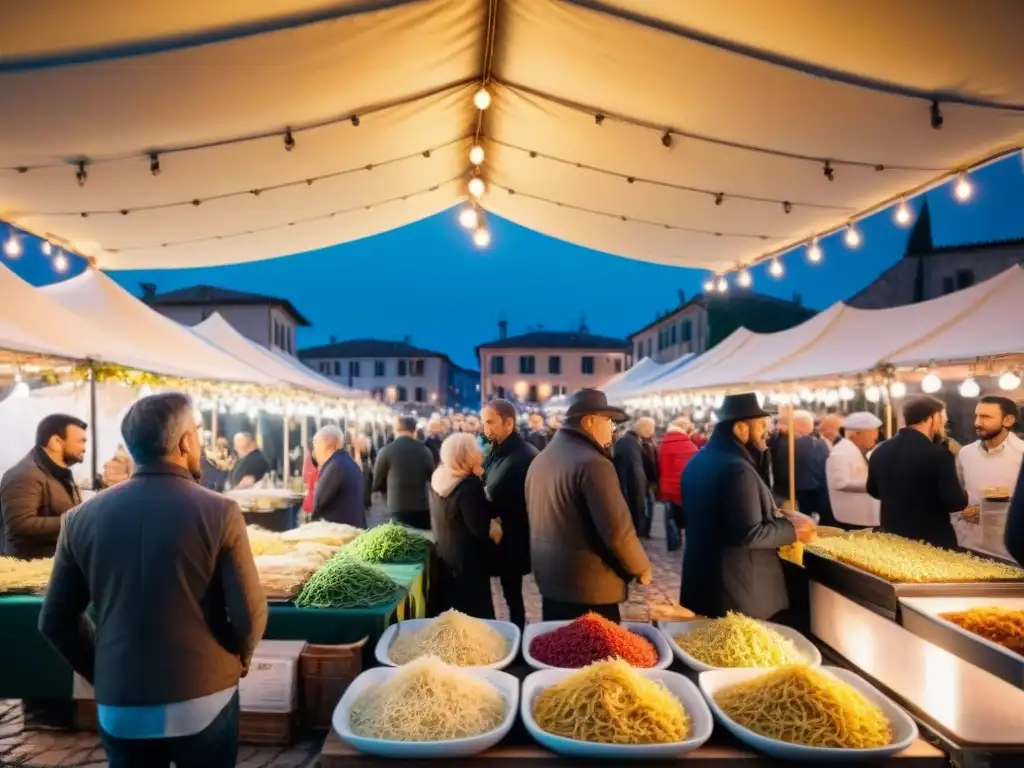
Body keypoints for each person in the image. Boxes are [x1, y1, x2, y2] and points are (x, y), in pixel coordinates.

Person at [39, 393, 267, 768]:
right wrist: (238, 656)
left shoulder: (79, 519)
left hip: (119, 702)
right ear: (185, 443)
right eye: (197, 433)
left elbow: (55, 621)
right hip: (203, 694)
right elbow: (249, 615)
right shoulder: (220, 511)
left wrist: (104, 668)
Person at [680, 393, 816, 621]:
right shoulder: (737, 469)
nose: (767, 431)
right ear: (741, 428)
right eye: (761, 425)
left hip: (706, 585)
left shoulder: (700, 459)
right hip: (739, 593)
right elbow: (750, 533)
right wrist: (795, 530)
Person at [525, 389, 652, 622]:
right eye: (608, 421)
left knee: (558, 652)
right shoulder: (594, 464)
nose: (612, 429)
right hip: (589, 588)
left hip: (551, 580)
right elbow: (617, 530)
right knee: (593, 656)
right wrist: (641, 567)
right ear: (589, 421)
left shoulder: (541, 459)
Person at [868, 396, 968, 549]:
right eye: (943, 419)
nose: (944, 425)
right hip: (931, 541)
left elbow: (873, 490)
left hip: (892, 538)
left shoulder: (880, 450)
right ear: (933, 417)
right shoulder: (939, 455)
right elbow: (954, 502)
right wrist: (965, 493)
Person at [429, 433, 502, 617]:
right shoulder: (468, 486)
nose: (480, 455)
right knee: (475, 620)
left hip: (448, 559)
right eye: (475, 451)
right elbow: (479, 529)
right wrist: (495, 533)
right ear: (466, 456)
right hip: (469, 566)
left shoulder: (441, 477)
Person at [481, 399, 537, 629]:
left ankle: (517, 634)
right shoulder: (497, 449)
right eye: (484, 423)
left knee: (512, 594)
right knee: (508, 592)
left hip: (513, 538)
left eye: (490, 422)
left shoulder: (523, 456)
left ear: (509, 423)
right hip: (502, 537)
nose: (486, 428)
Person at [1, 414, 87, 559]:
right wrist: (78, 520)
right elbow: (20, 524)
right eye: (80, 441)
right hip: (31, 574)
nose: (84, 448)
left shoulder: (60, 474)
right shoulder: (25, 474)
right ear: (56, 442)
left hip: (55, 566)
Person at [955, 396, 1023, 549]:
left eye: (985, 417)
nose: (977, 423)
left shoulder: (1022, 453)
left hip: (1009, 549)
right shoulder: (966, 453)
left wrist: (986, 511)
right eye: (976, 416)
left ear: (1008, 420)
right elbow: (957, 496)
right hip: (969, 544)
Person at [373, 416, 437, 530]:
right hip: (421, 507)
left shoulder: (386, 451)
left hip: (397, 507)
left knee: (401, 544)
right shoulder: (425, 451)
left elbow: (377, 483)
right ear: (414, 430)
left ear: (396, 429)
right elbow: (433, 479)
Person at [827, 412, 882, 529]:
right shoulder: (841, 452)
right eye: (872, 433)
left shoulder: (856, 450)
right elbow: (840, 483)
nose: (875, 437)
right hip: (852, 520)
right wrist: (874, 485)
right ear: (857, 434)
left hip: (862, 518)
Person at [310, 425, 366, 527]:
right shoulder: (350, 463)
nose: (315, 453)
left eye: (317, 448)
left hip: (340, 534)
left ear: (328, 446)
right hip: (355, 530)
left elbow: (318, 503)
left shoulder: (334, 467)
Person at [658, 417, 699, 546]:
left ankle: (673, 542)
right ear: (686, 429)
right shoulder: (688, 445)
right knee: (690, 520)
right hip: (685, 490)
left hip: (667, 488)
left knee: (671, 517)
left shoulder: (664, 443)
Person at [792, 410, 835, 525]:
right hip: (822, 488)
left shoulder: (791, 444)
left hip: (800, 490)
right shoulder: (821, 444)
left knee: (803, 522)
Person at [612, 418, 651, 536]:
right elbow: (646, 464)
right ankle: (639, 531)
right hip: (636, 480)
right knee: (637, 507)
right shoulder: (635, 443)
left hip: (623, 480)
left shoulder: (622, 442)